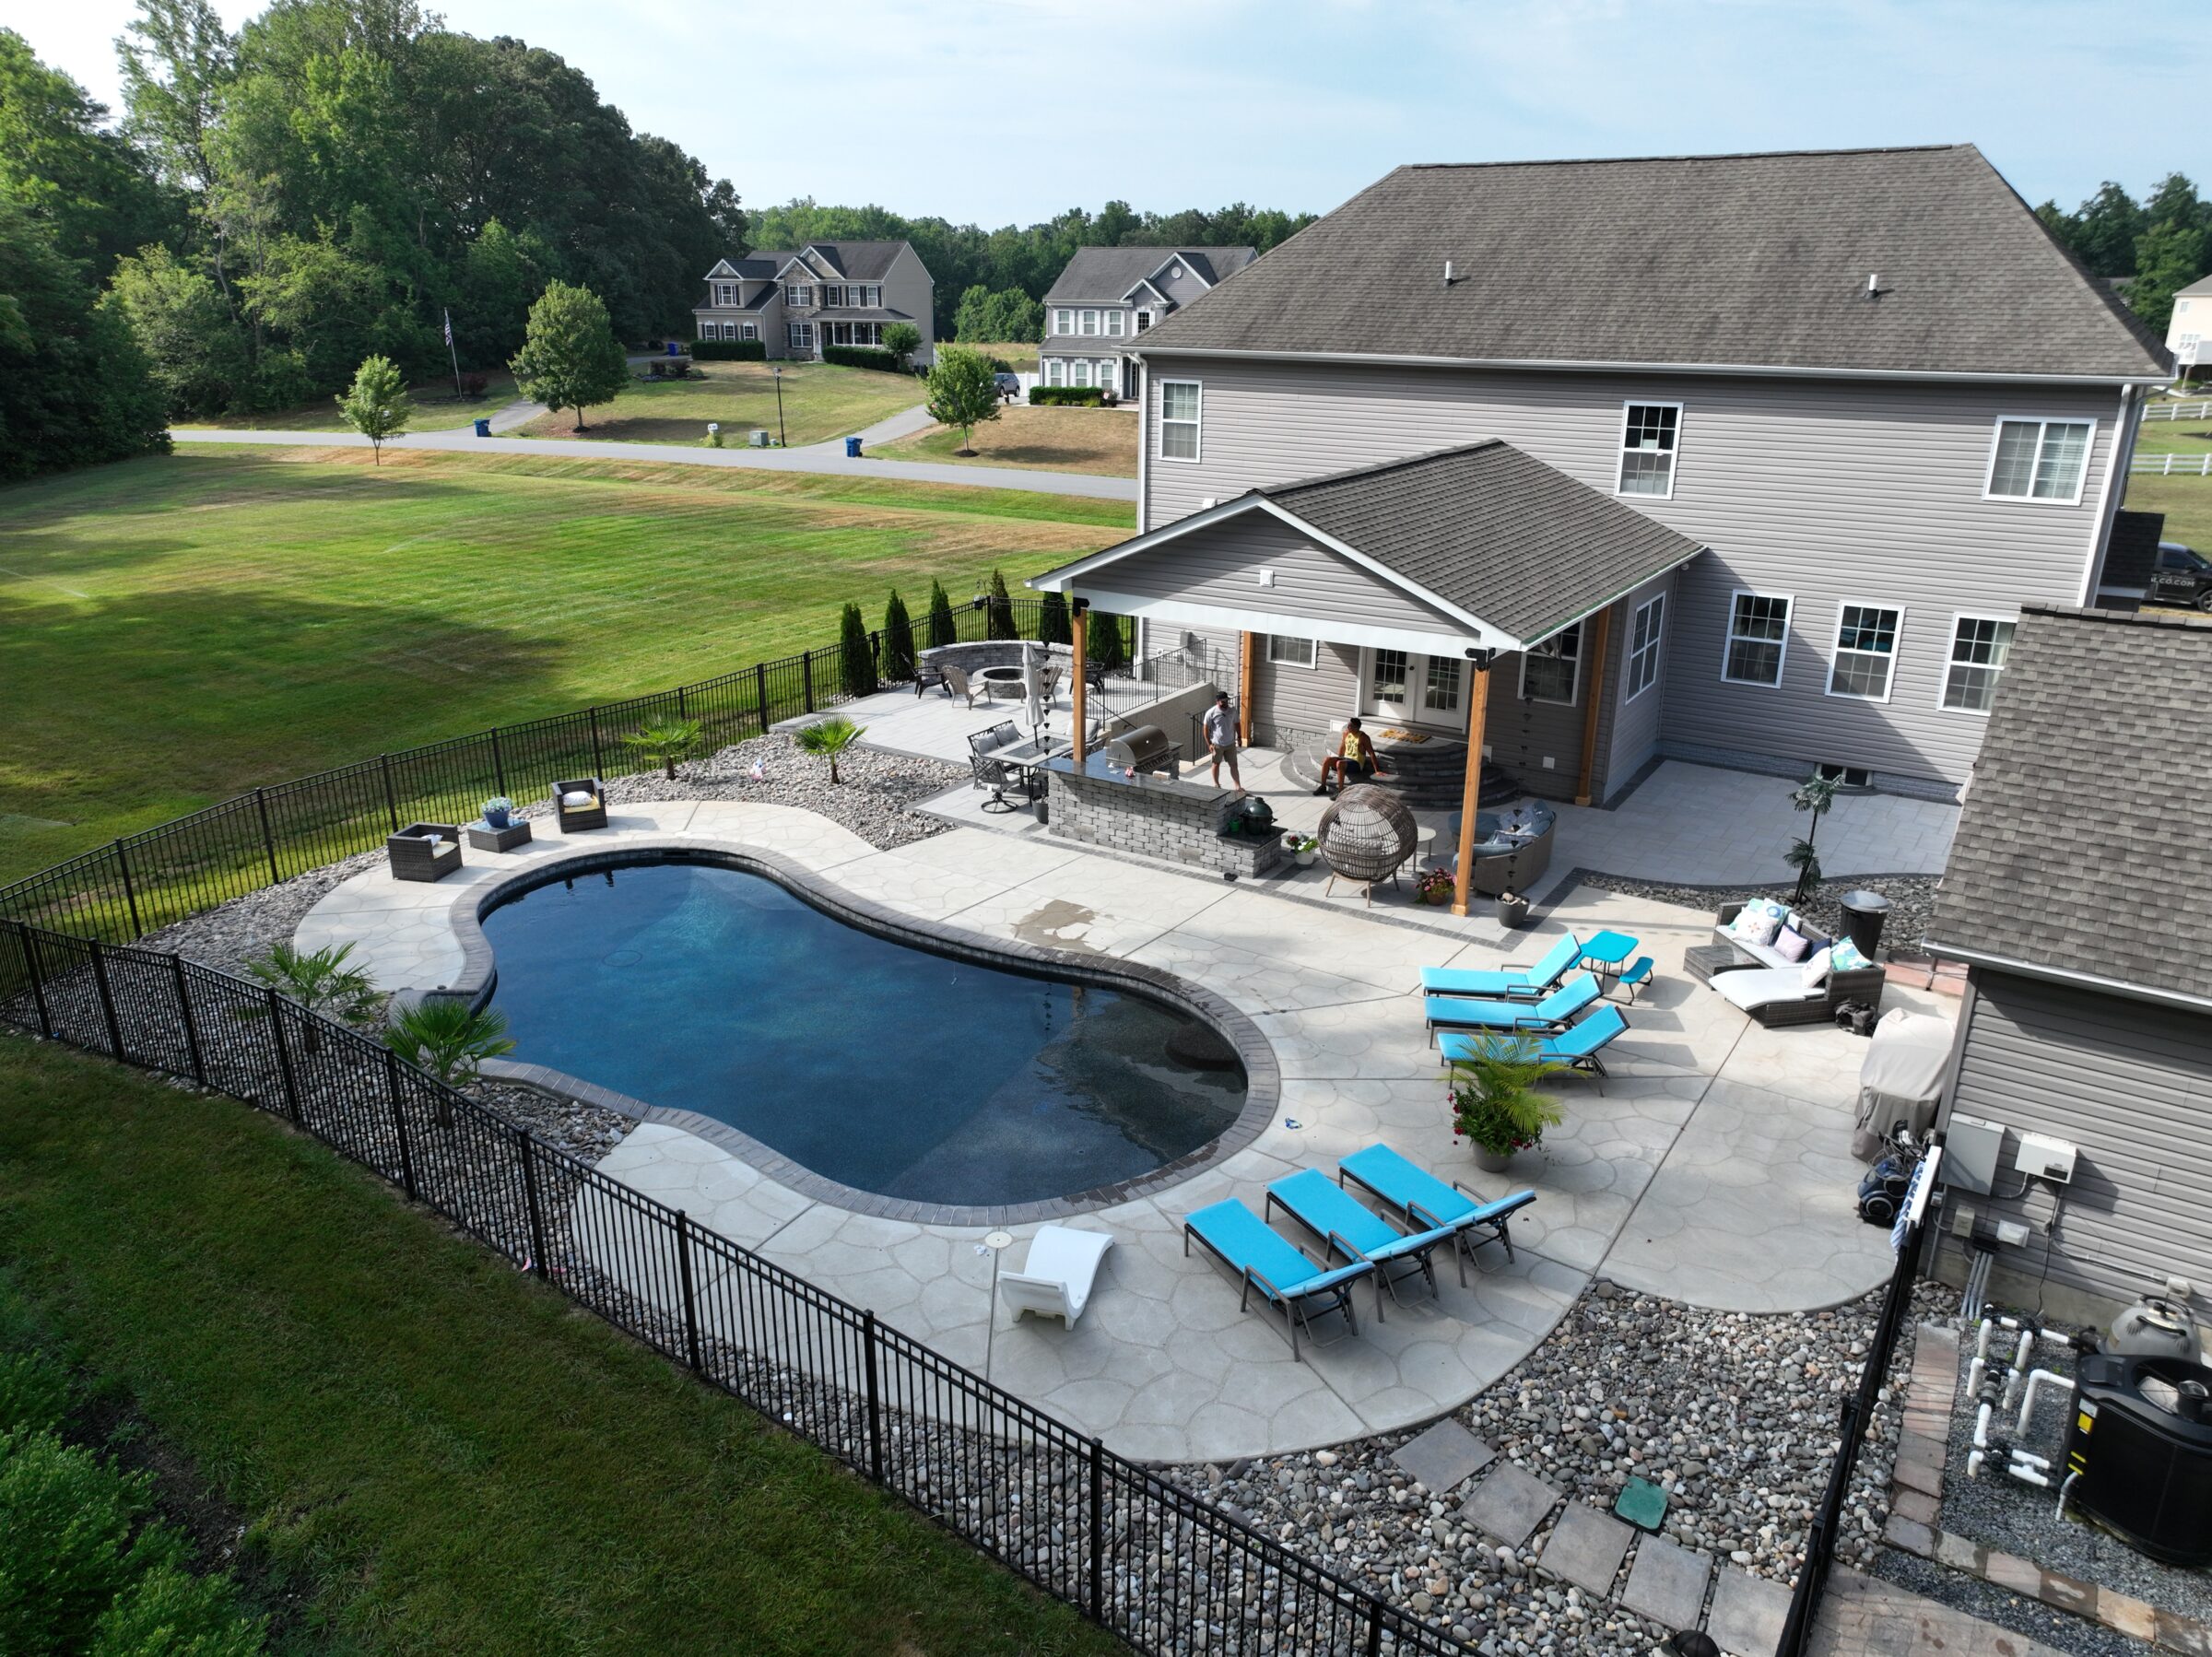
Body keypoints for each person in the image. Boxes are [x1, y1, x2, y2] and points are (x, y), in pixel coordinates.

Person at [1314, 717, 1385, 795]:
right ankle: (1323, 786)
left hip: (1356, 763)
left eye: (1350, 726)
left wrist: (1377, 770)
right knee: (1327, 759)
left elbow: (1371, 753)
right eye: (1348, 725)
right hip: (1345, 760)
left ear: (1356, 728)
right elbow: (1342, 747)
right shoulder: (1346, 733)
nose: (1348, 727)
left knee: (1340, 763)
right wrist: (1338, 758)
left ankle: (1340, 791)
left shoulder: (1363, 737)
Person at [1202, 690, 1242, 791]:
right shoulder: (1211, 712)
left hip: (1230, 743)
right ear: (1217, 701)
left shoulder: (1232, 710)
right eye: (1223, 701)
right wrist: (1209, 744)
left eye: (1226, 701)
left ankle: (1238, 786)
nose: (1225, 703)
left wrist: (1239, 737)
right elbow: (1205, 729)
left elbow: (1237, 723)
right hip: (1217, 744)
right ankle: (1217, 785)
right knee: (1216, 764)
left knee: (1234, 764)